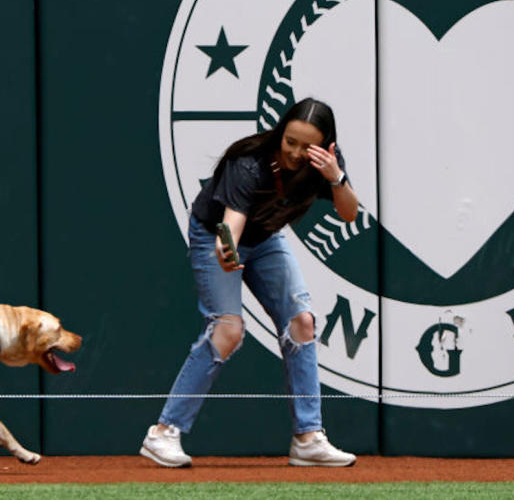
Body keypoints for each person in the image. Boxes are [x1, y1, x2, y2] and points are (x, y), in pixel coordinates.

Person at [140, 97, 360, 468]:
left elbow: (349, 212)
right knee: (228, 330)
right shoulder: (249, 164)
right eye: (290, 141)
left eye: (307, 146)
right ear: (280, 132)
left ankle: (308, 438)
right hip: (218, 233)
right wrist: (228, 249)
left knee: (302, 324)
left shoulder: (324, 167)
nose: (294, 152)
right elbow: (232, 222)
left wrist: (336, 177)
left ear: (324, 146)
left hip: (267, 237)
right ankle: (163, 433)